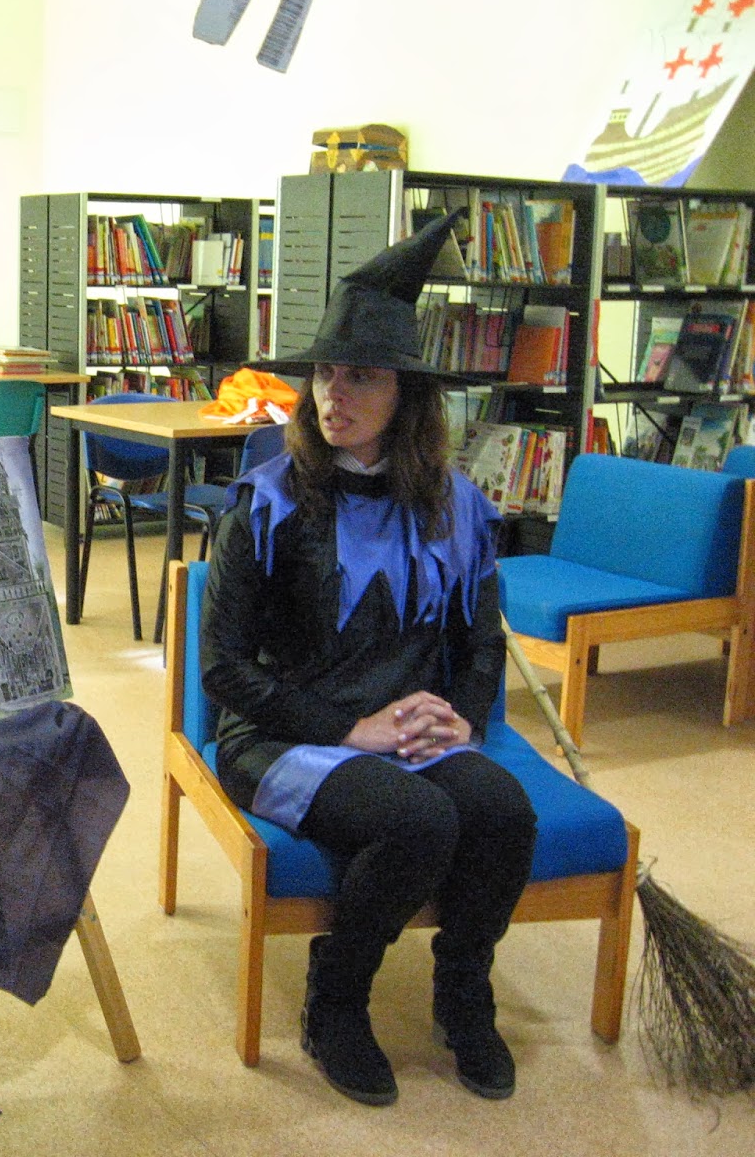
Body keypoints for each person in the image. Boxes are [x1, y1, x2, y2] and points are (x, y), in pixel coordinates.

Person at [198, 212, 536, 1107]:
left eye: (361, 376)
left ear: (407, 396)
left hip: (406, 730)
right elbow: (223, 670)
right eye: (324, 373)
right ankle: (336, 1003)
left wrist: (459, 716)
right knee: (418, 822)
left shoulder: (454, 504)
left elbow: (481, 641)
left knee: (502, 811)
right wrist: (351, 728)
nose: (332, 394)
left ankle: (463, 992)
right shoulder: (266, 504)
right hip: (282, 735)